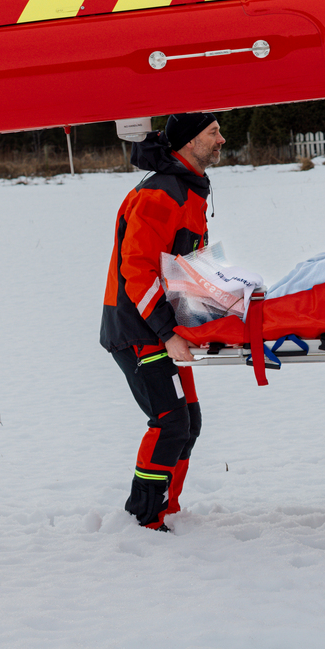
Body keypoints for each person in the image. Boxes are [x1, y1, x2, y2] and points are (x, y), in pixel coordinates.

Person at [101, 112, 226, 530]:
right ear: (189, 142)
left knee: (189, 421)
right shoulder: (160, 195)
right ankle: (145, 519)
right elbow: (137, 272)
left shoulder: (189, 191)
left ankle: (166, 508)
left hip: (166, 330)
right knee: (171, 422)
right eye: (213, 133)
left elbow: (187, 268)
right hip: (139, 330)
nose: (221, 139)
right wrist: (168, 331)